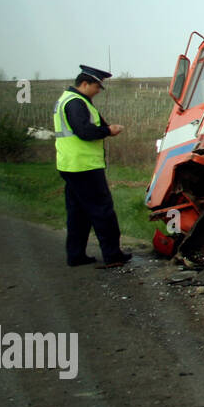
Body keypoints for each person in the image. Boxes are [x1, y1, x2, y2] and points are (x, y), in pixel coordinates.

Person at [52, 65, 132, 268]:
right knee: (102, 210)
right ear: (85, 84)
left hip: (70, 165)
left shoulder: (66, 99)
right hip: (84, 166)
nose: (98, 91)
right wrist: (108, 130)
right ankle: (113, 255)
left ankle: (76, 255)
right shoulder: (76, 103)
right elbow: (84, 132)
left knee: (78, 213)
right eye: (97, 86)